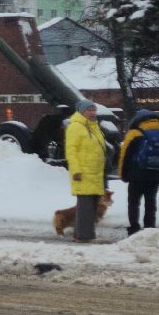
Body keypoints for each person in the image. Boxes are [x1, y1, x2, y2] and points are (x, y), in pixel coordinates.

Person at [116, 109, 159, 235]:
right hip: (154, 175)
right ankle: (150, 227)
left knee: (134, 202)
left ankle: (134, 227)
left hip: (136, 175)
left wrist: (123, 174)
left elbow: (124, 155)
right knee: (151, 202)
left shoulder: (134, 133)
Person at [64, 99, 106, 242]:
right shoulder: (76, 127)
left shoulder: (93, 127)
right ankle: (83, 236)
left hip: (95, 173)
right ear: (82, 111)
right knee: (85, 207)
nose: (92, 112)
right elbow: (71, 151)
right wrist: (75, 170)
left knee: (92, 206)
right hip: (83, 173)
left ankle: (83, 233)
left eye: (94, 110)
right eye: (89, 110)